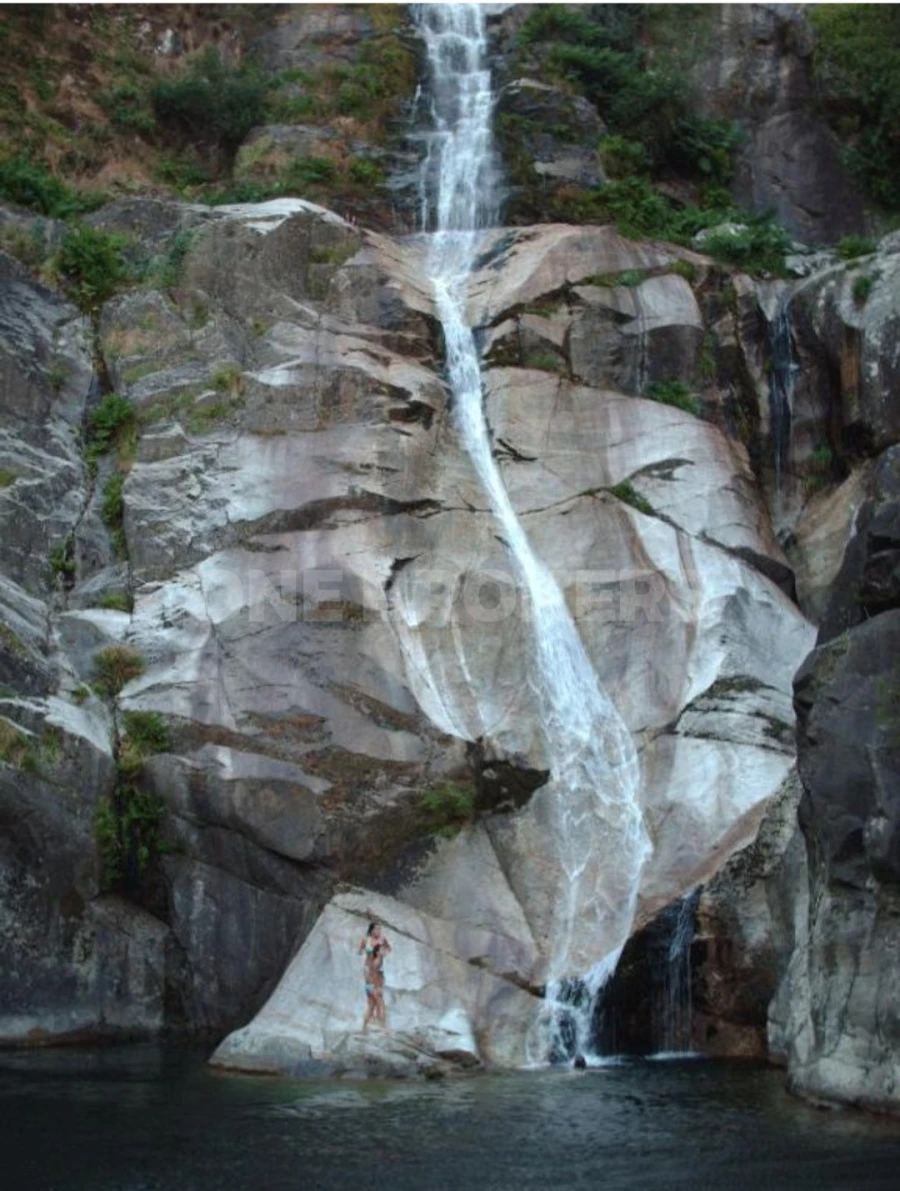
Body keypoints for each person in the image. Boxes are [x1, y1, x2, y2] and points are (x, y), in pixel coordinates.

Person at [358, 921, 392, 1032]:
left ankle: (364, 1027)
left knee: (372, 1005)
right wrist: (377, 987)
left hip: (371, 980)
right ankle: (384, 1027)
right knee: (380, 1003)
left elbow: (388, 948)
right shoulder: (376, 960)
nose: (378, 931)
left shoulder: (381, 941)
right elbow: (360, 951)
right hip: (372, 980)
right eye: (376, 929)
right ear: (371, 930)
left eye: (379, 929)